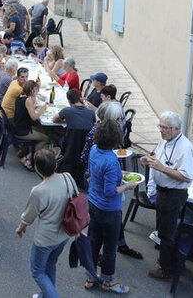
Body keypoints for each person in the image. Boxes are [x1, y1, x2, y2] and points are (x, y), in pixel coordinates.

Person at [140, 111, 193, 281]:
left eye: (165, 128)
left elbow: (187, 176)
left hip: (174, 194)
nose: (161, 131)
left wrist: (161, 168)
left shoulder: (185, 148)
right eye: (160, 126)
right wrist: (148, 159)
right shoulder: (165, 139)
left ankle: (168, 269)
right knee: (163, 228)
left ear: (177, 129)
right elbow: (158, 156)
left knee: (168, 232)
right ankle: (166, 259)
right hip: (162, 191)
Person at [84, 119, 135, 294]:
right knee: (109, 248)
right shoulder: (112, 161)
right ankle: (108, 281)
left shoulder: (93, 151)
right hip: (109, 209)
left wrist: (119, 175)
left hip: (93, 203)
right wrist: (127, 185)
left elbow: (95, 173)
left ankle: (90, 276)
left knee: (93, 241)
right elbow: (111, 191)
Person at [15, 149, 75, 298]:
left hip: (45, 238)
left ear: (37, 168)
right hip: (65, 233)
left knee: (38, 272)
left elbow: (29, 216)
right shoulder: (67, 177)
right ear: (55, 163)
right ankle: (45, 295)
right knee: (50, 265)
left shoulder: (39, 191)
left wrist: (21, 228)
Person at [53, 89, 95, 187]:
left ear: (69, 100)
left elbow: (54, 119)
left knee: (58, 137)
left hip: (71, 143)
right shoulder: (90, 112)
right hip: (86, 144)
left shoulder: (67, 110)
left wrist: (67, 121)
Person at [12, 80, 50, 167]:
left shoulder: (20, 97)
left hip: (17, 126)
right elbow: (34, 117)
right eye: (37, 90)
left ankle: (25, 151)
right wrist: (42, 110)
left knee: (41, 130)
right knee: (45, 138)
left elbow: (25, 110)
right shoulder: (28, 100)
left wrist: (34, 106)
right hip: (22, 131)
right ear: (32, 90)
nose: (38, 92)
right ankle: (29, 159)